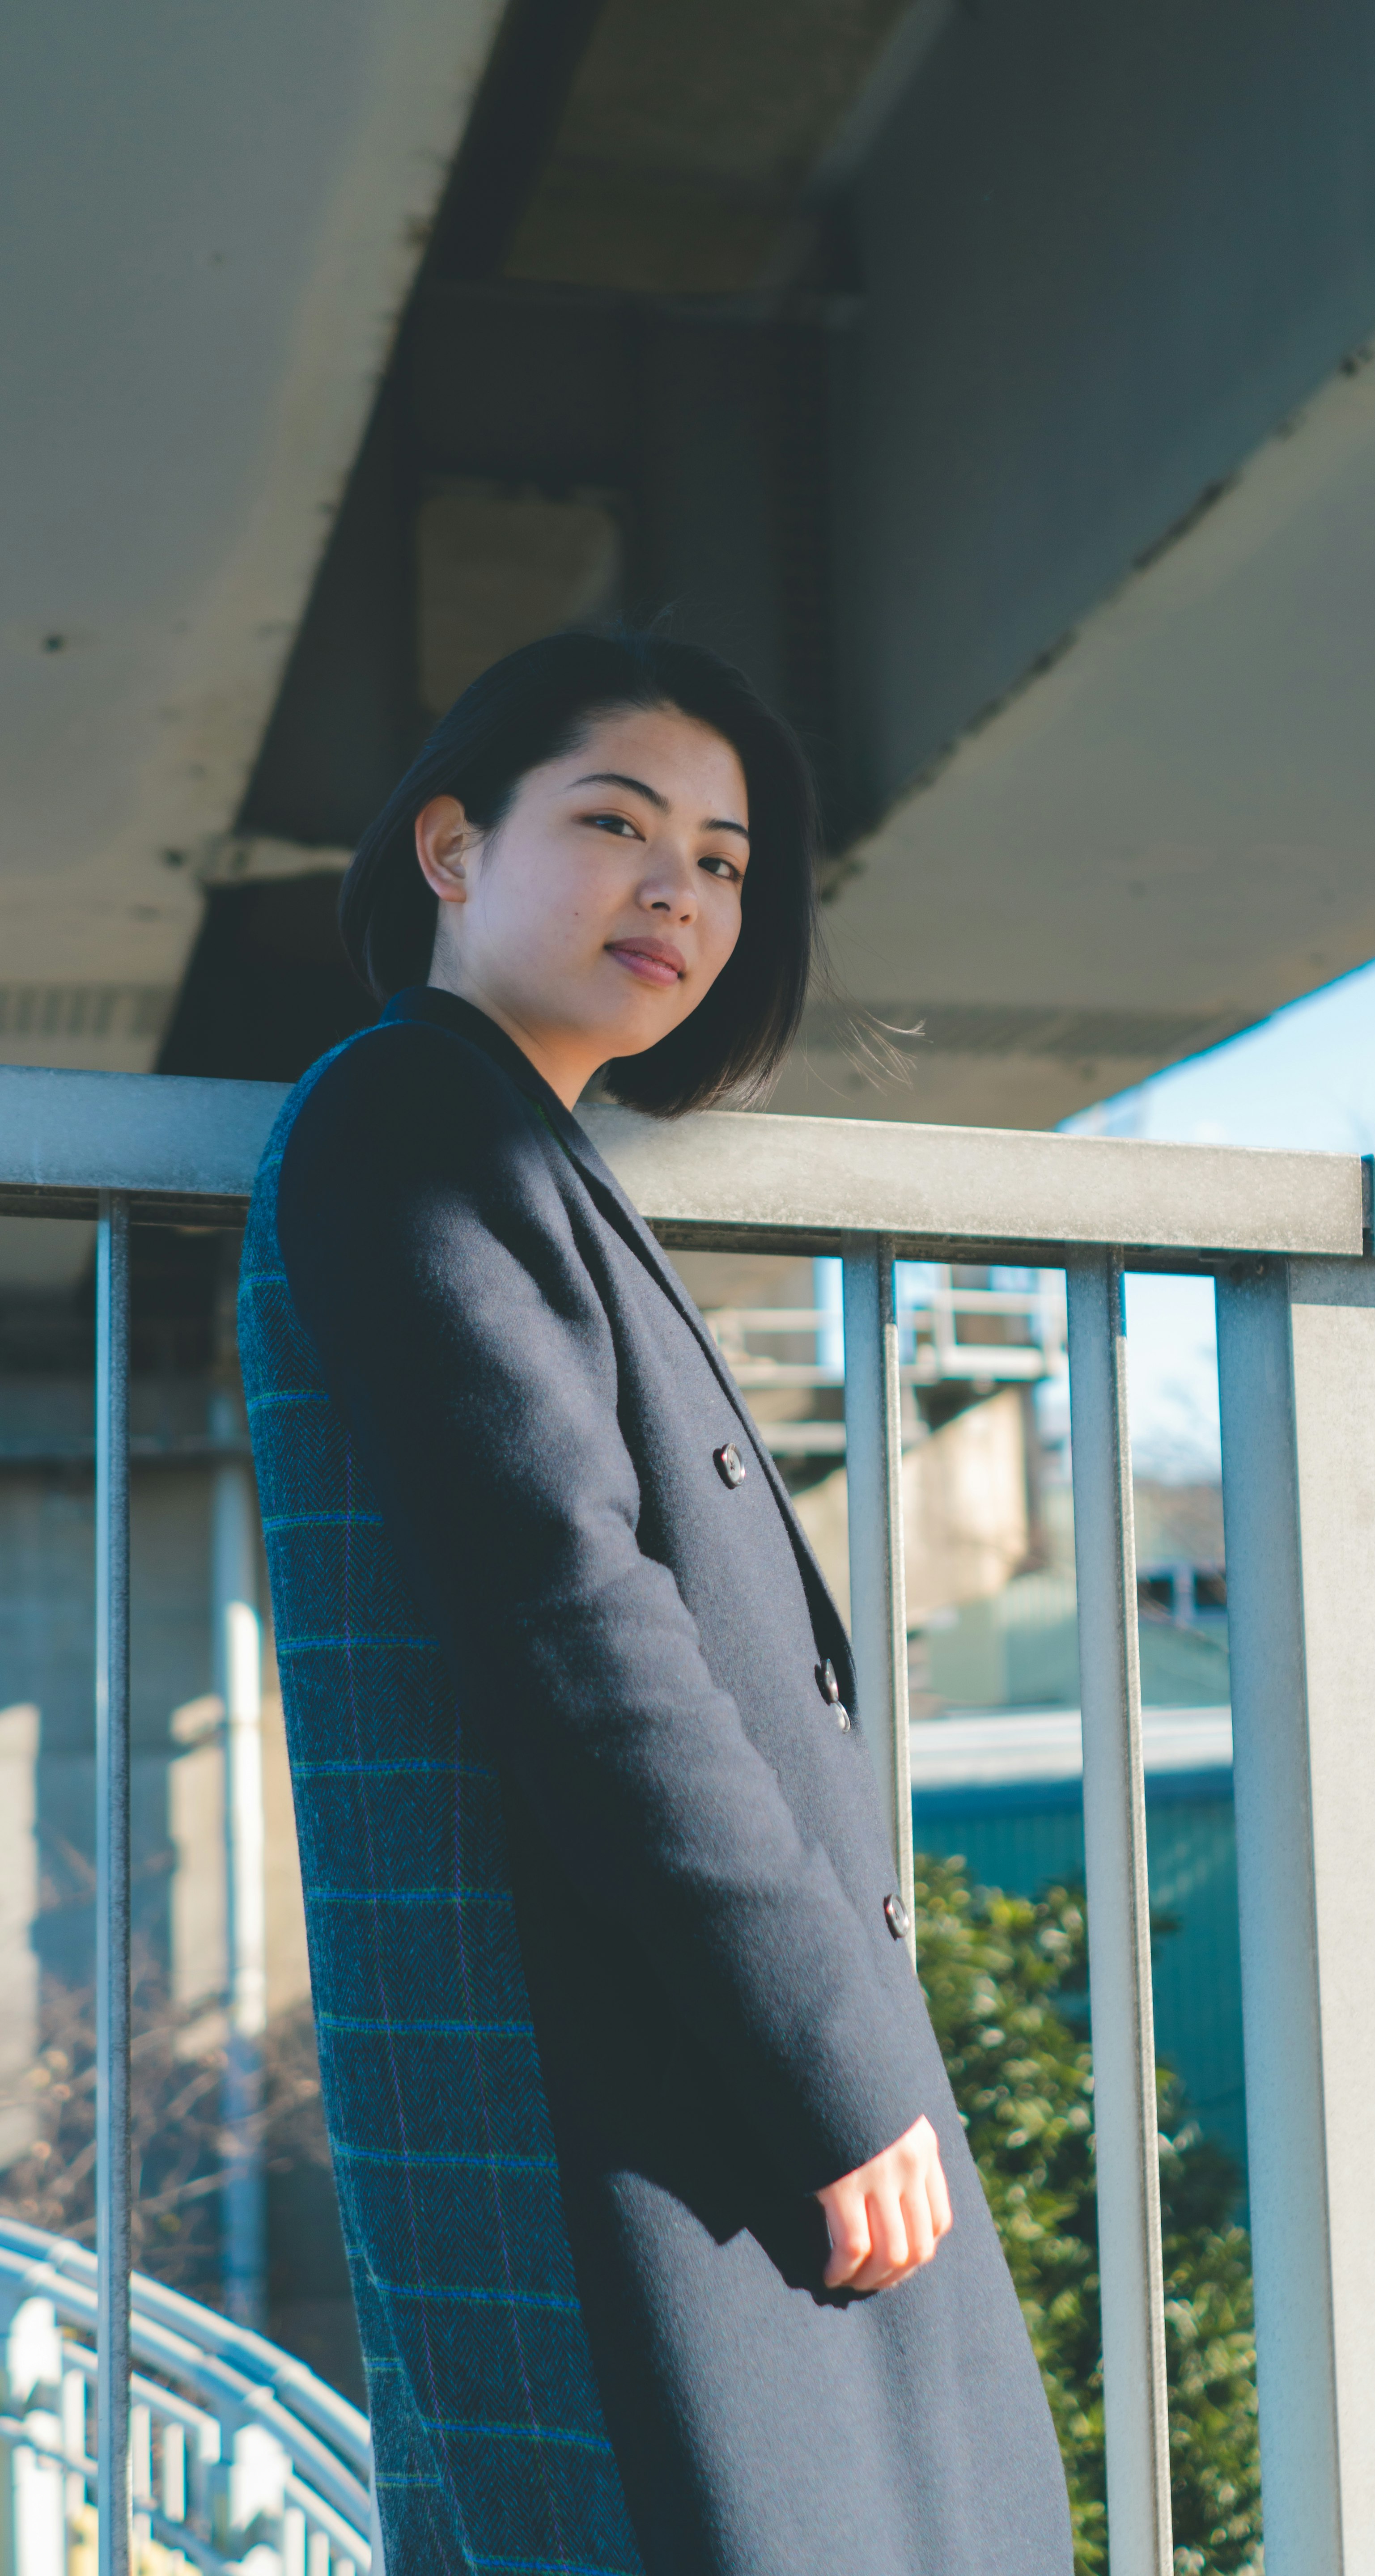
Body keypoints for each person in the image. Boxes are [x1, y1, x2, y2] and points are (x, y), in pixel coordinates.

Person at [237, 631, 1074, 2576]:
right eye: (615, 825)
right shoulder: (409, 1123)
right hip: (614, 2081)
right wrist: (826, 2056)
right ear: (452, 849)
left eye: (722, 858)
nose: (679, 891)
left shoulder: (507, 1141)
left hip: (663, 2064)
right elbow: (578, 1635)